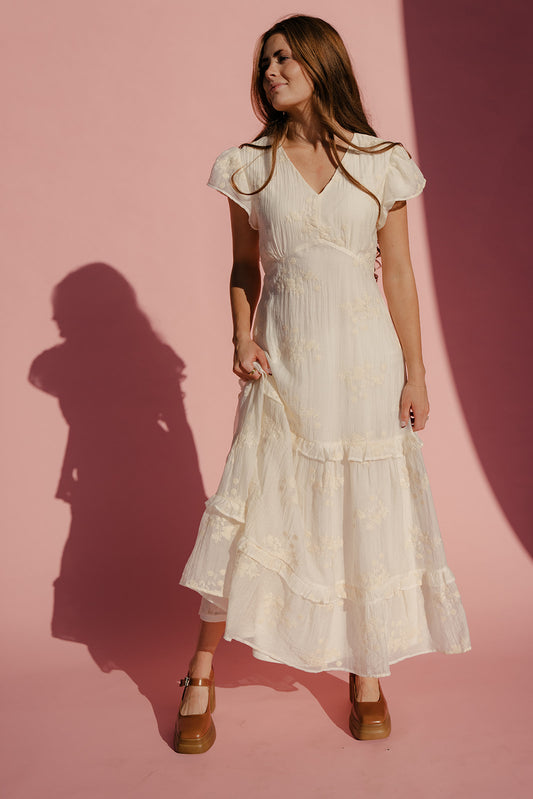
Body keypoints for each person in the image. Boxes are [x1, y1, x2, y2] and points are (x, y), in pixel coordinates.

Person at [174, 14, 472, 754]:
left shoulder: (382, 161)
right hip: (285, 363)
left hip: (363, 366)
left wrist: (415, 373)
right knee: (251, 505)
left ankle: (366, 672)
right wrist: (239, 337)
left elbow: (397, 272)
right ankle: (199, 673)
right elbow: (245, 268)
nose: (269, 70)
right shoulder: (250, 165)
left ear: (318, 62)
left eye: (283, 58)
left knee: (361, 511)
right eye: (264, 61)